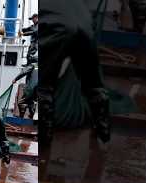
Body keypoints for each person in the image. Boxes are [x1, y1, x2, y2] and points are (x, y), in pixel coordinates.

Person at [39, 0, 111, 145]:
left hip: (56, 26)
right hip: (84, 21)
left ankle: (44, 140)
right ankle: (104, 132)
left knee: (44, 87)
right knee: (93, 84)